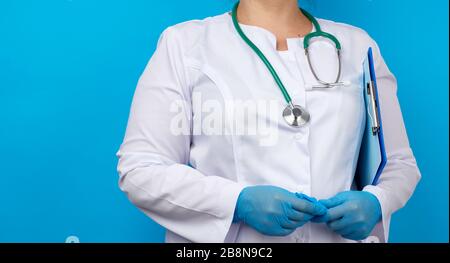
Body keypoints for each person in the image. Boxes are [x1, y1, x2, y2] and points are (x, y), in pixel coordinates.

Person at [116, 0, 421, 243]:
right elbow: (140, 169)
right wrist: (236, 202)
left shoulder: (357, 46)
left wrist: (377, 202)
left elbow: (399, 164)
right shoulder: (185, 45)